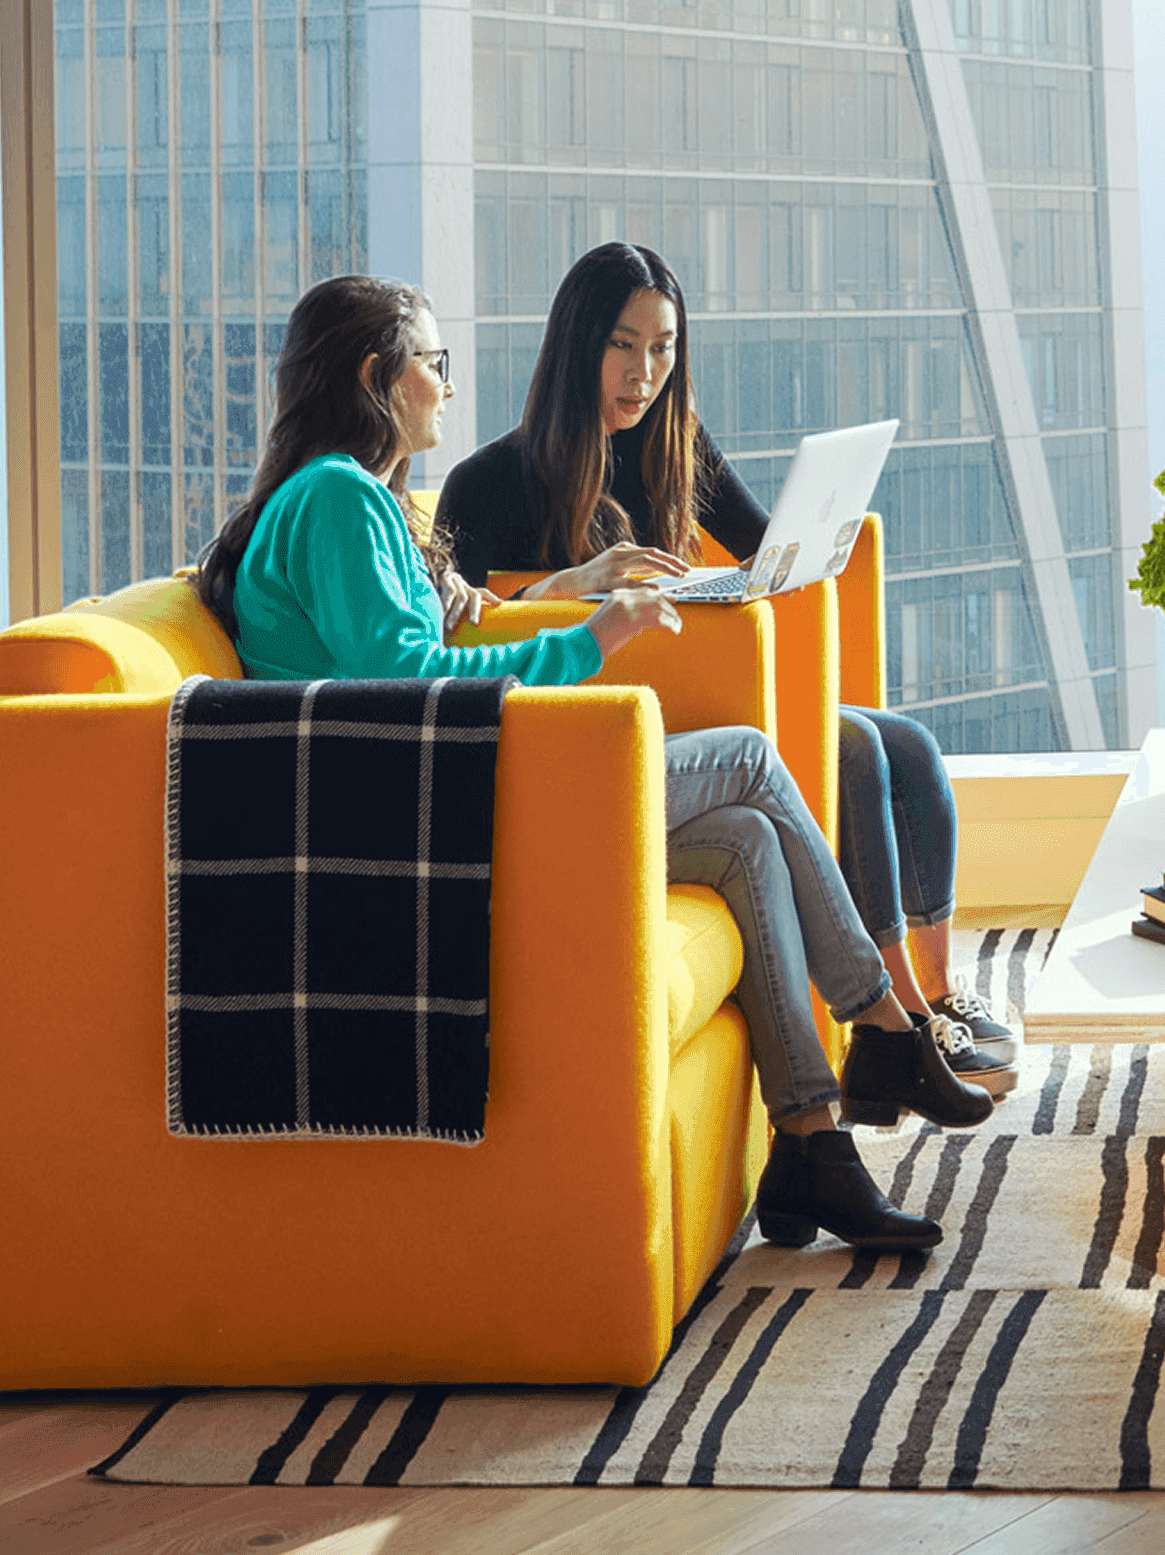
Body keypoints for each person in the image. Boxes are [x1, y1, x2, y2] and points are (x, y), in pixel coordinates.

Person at [194, 274, 993, 1257]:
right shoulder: (336, 498)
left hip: (442, 787)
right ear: (376, 377)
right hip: (434, 805)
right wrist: (592, 637)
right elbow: (405, 686)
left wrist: (522, 598)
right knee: (747, 755)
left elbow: (419, 646)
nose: (445, 386)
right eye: (432, 365)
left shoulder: (350, 503)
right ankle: (878, 1019)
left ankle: (811, 1143)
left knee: (744, 836)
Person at [434, 241, 1019, 1097]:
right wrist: (570, 585)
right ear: (576, 345)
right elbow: (472, 626)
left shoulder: (674, 442)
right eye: (622, 346)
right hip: (625, 711)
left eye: (663, 348)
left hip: (706, 682)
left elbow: (759, 548)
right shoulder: (489, 481)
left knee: (907, 746)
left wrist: (810, 538)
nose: (643, 373)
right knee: (852, 748)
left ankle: (935, 993)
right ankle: (903, 1017)